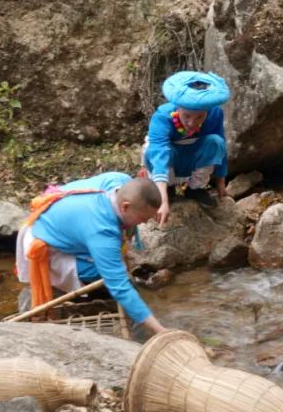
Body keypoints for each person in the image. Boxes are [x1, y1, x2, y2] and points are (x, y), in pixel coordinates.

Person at [14, 172, 167, 336]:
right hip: (43, 242)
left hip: (59, 219)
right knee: (106, 271)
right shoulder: (102, 231)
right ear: (125, 207)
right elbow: (119, 285)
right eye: (143, 217)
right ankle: (82, 291)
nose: (145, 222)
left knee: (115, 259)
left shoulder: (121, 182)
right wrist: (159, 329)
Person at [144, 70, 231, 225]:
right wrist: (163, 201)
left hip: (193, 156)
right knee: (154, 149)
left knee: (216, 141)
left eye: (199, 117)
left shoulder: (215, 113)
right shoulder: (162, 117)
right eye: (186, 116)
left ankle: (195, 189)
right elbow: (159, 155)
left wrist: (221, 182)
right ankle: (167, 190)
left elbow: (220, 144)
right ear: (177, 108)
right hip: (170, 158)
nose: (192, 123)